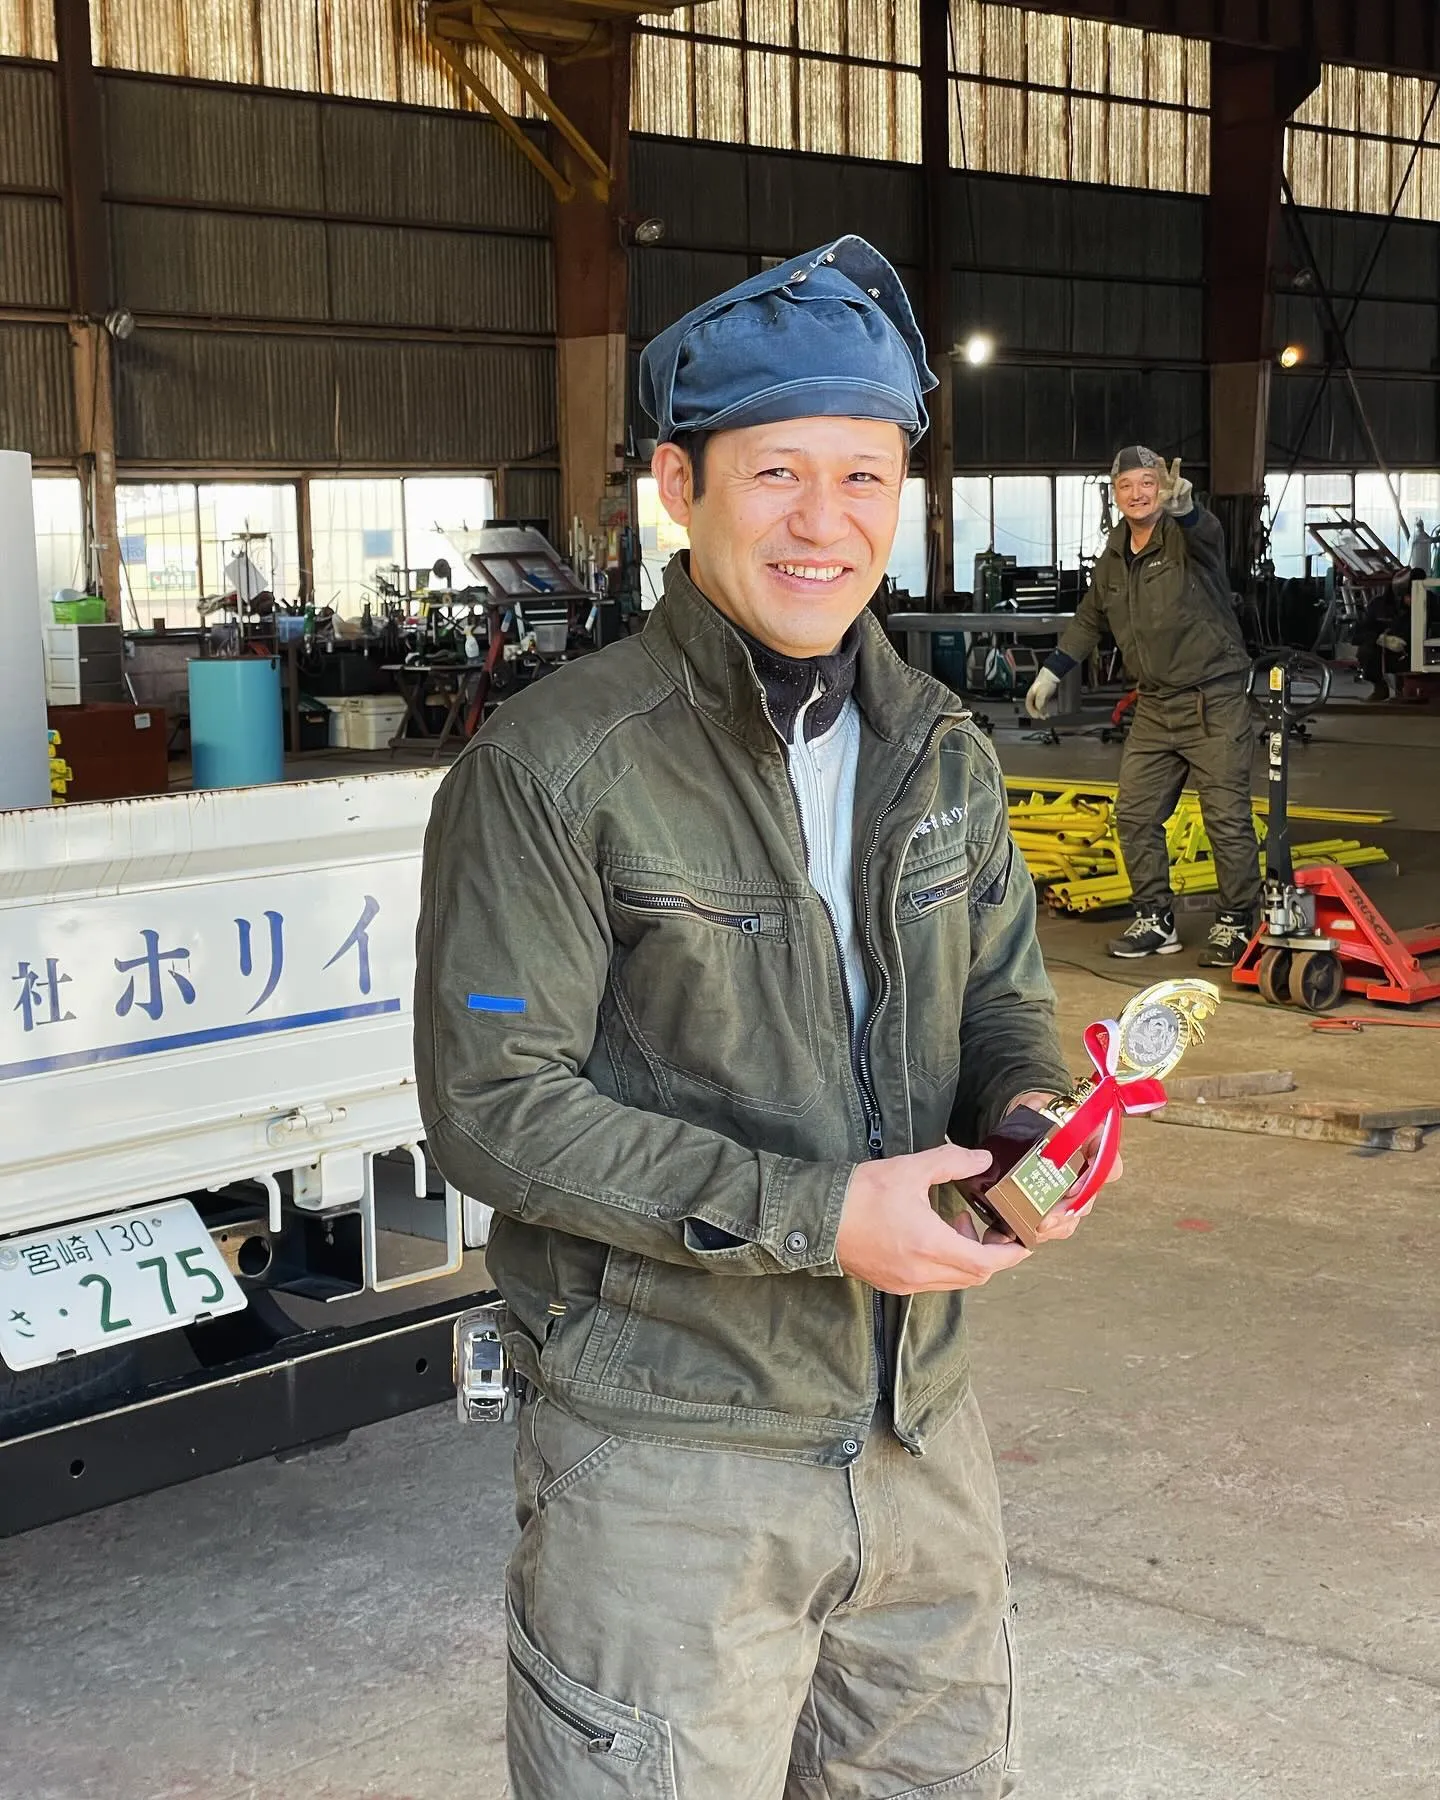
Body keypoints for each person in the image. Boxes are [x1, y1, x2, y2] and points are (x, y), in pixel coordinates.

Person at [416, 236, 1118, 1800]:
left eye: (863, 477)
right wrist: (819, 1216)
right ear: (681, 485)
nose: (824, 521)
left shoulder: (940, 746)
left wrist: (1031, 1116)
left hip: (923, 1433)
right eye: (777, 473)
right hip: (670, 1460)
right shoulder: (550, 770)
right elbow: (494, 1107)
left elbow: (1002, 997)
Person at [1025, 447, 1259, 965]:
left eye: (1147, 482)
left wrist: (1186, 510)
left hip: (1213, 699)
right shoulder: (1114, 555)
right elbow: (1091, 618)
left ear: (1162, 487)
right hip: (1155, 705)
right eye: (1126, 485)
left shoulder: (1187, 538)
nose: (1137, 493)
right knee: (1133, 814)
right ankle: (1156, 920)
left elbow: (1209, 535)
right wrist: (1052, 671)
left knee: (1226, 819)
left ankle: (1238, 921)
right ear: (1115, 493)